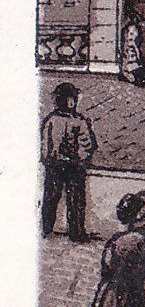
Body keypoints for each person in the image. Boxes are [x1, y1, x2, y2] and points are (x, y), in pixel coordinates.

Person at [40, 83, 97, 242]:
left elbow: (86, 144)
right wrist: (48, 158)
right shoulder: (55, 120)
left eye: (72, 99)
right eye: (68, 99)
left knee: (74, 200)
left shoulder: (76, 121)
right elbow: (46, 142)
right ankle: (48, 226)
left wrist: (80, 158)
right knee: (54, 197)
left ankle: (75, 230)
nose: (70, 103)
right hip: (58, 165)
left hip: (70, 165)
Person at [118, 16, 145, 89]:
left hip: (131, 57)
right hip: (130, 56)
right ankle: (131, 76)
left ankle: (131, 75)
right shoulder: (132, 30)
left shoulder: (131, 30)